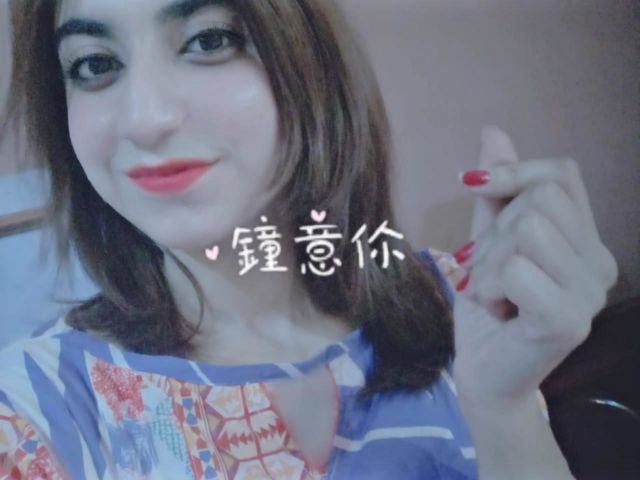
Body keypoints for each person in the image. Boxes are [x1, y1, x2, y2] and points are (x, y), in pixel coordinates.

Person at [0, 0, 618, 478]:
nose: (145, 118)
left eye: (209, 40)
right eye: (94, 64)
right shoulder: (37, 407)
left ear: (308, 62)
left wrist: (505, 410)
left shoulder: (462, 304)